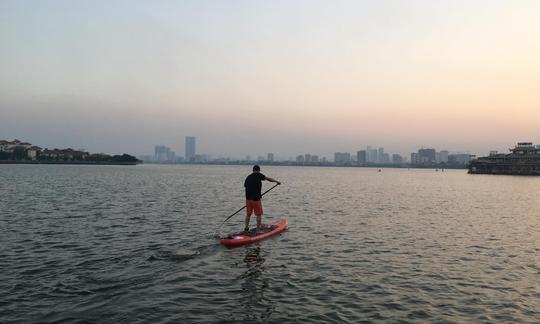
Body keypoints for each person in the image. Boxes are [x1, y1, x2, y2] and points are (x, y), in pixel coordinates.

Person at [244, 165, 280, 232]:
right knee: (258, 214)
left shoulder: (248, 177)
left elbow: (245, 186)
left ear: (253, 170)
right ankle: (258, 229)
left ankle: (246, 228)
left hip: (248, 199)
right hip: (256, 199)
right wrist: (276, 181)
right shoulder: (258, 174)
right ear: (258, 170)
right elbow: (268, 179)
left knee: (248, 214)